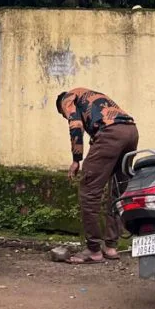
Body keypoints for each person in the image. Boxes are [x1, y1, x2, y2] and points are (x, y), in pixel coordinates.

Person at [56, 88, 139, 263]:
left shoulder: (67, 99)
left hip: (111, 134)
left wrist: (76, 159)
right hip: (131, 131)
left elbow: (76, 126)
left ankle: (93, 250)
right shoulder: (89, 94)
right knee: (118, 191)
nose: (66, 116)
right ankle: (110, 246)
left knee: (89, 191)